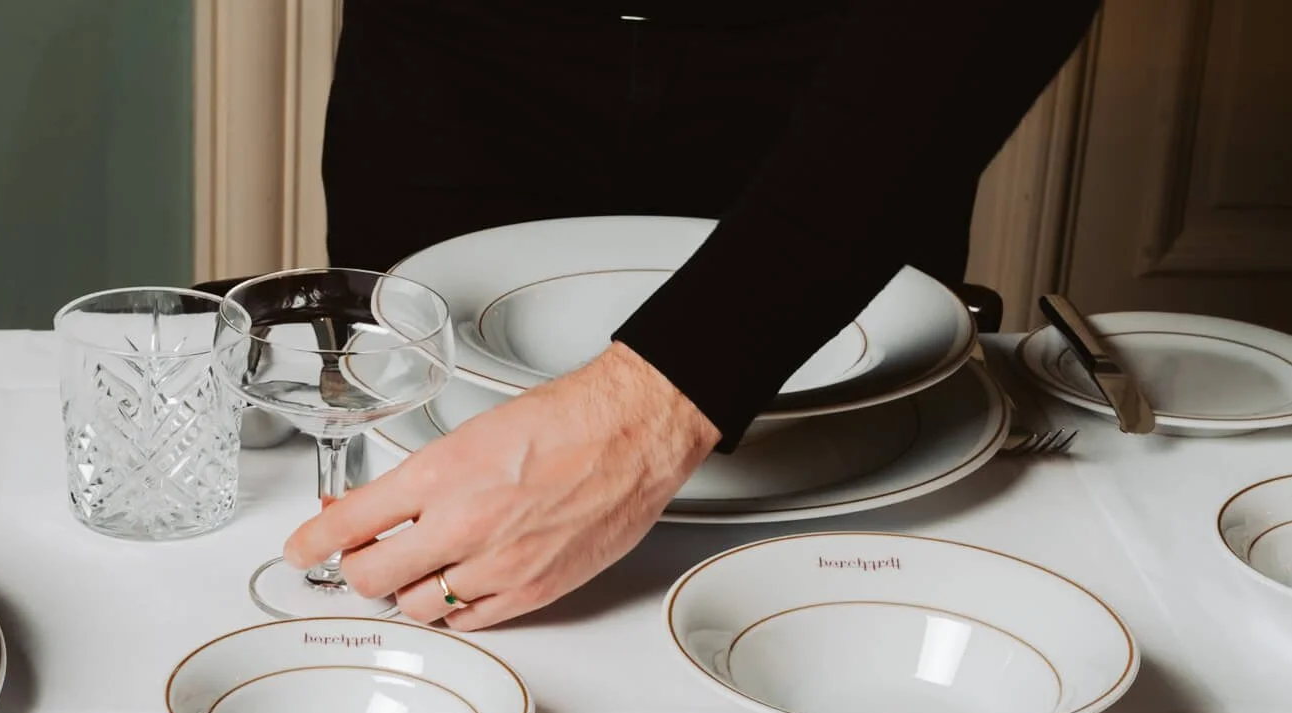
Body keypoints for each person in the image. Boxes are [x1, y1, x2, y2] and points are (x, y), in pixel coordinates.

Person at [286, 0, 1099, 628]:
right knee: (423, 510)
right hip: (445, 65)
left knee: (835, 580)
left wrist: (647, 411)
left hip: (864, 84)